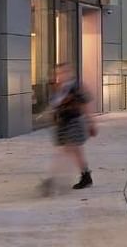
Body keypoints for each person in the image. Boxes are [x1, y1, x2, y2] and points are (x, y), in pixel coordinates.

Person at [40, 64, 96, 195]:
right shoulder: (57, 88)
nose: (60, 76)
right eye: (58, 73)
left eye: (63, 72)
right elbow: (55, 106)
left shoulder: (76, 87)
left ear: (69, 73)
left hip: (74, 122)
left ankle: (51, 180)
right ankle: (86, 176)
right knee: (75, 151)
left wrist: (91, 123)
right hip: (62, 124)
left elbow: (85, 105)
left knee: (65, 150)